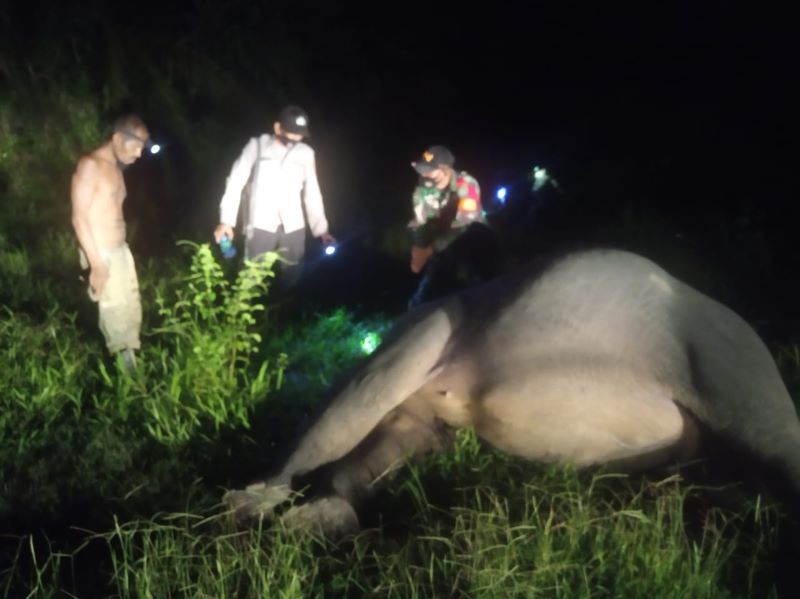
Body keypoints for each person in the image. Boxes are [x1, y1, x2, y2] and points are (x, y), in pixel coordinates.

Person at [213, 105, 336, 292]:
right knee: (252, 275)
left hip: (293, 224)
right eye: (290, 134)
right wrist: (226, 221)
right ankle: (245, 312)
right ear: (278, 128)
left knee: (293, 273)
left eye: (299, 136)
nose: (294, 140)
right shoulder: (257, 146)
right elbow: (235, 181)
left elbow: (312, 191)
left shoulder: (306, 153)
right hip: (261, 222)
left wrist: (322, 231)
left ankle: (286, 310)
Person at [71, 114, 151, 371]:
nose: (140, 153)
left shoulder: (116, 169)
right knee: (116, 319)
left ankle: (131, 375)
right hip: (102, 253)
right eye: (136, 145)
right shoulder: (90, 165)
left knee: (130, 314)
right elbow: (79, 217)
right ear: (117, 138)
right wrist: (96, 263)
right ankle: (129, 388)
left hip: (120, 252)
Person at [407, 145, 497, 308]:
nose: (424, 174)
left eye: (429, 170)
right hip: (442, 246)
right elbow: (419, 221)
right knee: (421, 300)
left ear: (445, 169)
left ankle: (487, 287)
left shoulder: (466, 183)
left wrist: (431, 249)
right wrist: (421, 246)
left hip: (471, 240)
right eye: (422, 170)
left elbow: (464, 224)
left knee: (474, 235)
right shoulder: (423, 190)